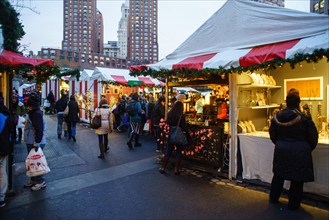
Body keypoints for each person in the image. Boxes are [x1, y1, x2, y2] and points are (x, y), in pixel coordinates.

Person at [269, 89, 318, 210]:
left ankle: (273, 198)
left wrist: (280, 143)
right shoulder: (304, 118)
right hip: (299, 152)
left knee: (278, 176)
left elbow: (272, 135)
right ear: (299, 102)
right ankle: (293, 205)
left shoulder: (277, 117)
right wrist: (306, 148)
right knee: (297, 180)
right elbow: (313, 137)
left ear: (286, 102)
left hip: (281, 150)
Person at [23, 92, 47, 191]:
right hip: (32, 140)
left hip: (35, 141)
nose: (28, 107)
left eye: (28, 106)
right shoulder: (34, 113)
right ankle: (34, 179)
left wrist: (36, 144)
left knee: (36, 162)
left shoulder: (36, 114)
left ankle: (40, 181)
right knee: (32, 162)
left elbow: (39, 130)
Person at [159, 100, 188, 175]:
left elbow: (167, 122)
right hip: (178, 135)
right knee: (178, 151)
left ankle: (163, 167)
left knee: (168, 150)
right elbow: (184, 126)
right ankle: (176, 169)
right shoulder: (181, 115)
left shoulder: (170, 113)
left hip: (171, 133)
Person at [0, 92, 15, 207]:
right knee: (2, 171)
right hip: (5, 147)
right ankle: (1, 196)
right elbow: (12, 131)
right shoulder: (7, 112)